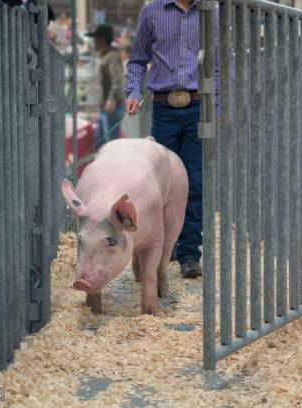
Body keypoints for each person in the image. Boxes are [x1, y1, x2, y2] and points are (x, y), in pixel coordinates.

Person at [124, 0, 218, 278]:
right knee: (159, 184)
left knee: (194, 181)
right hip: (164, 109)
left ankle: (190, 254)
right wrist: (133, 92)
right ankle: (165, 246)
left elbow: (221, 62)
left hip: (198, 107)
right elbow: (138, 60)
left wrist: (220, 107)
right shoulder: (152, 12)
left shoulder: (210, 13)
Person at [86, 24, 125, 149]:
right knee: (101, 145)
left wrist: (112, 98)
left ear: (102, 40)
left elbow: (118, 80)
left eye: (95, 39)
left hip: (112, 108)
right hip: (105, 109)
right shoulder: (104, 56)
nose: (94, 43)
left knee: (111, 147)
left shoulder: (111, 56)